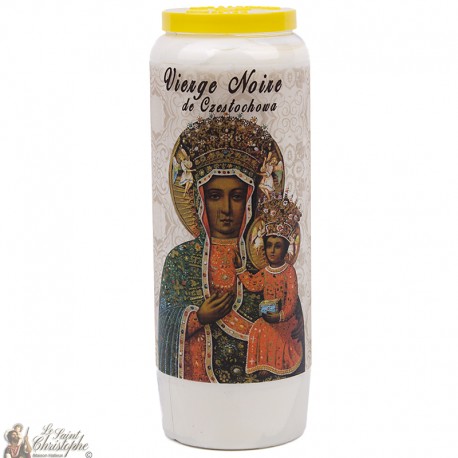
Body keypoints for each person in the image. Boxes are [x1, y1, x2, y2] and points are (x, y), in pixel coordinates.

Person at [158, 115, 305, 383]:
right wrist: (197, 317)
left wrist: (287, 322)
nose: (226, 209)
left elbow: (291, 313)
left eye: (236, 197)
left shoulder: (265, 258)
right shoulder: (181, 260)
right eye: (215, 196)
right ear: (200, 199)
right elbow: (165, 322)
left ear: (251, 200)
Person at [235, 195, 303, 375]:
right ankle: (263, 366)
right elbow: (253, 284)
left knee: (276, 333)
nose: (272, 251)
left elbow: (291, 300)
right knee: (258, 329)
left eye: (277, 246)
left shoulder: (289, 271)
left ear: (286, 248)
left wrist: (280, 316)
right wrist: (240, 269)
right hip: (268, 316)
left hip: (285, 319)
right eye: (269, 246)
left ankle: (278, 366)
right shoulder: (265, 271)